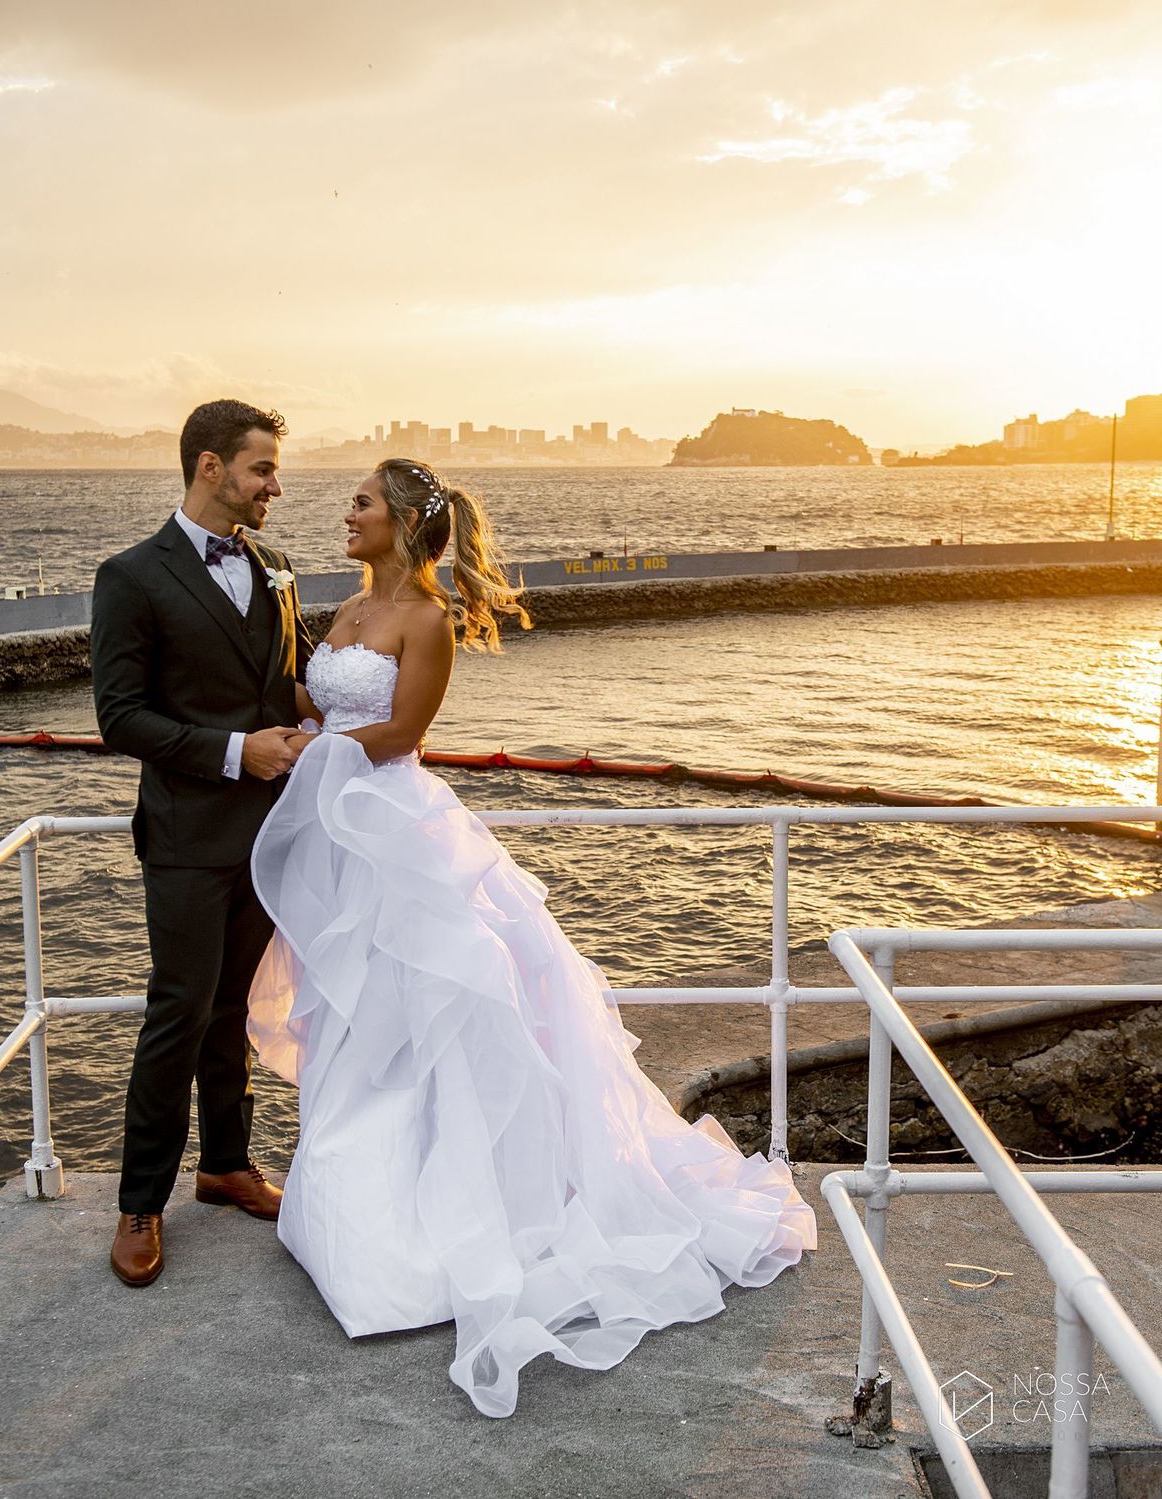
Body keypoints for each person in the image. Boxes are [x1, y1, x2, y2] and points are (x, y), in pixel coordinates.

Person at [247, 458, 815, 1418]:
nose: (346, 514)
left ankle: (435, 1232)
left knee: (427, 1008)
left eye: (362, 503)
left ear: (403, 523)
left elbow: (402, 729)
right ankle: (349, 1215)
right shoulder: (341, 610)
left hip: (396, 829)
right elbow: (322, 700)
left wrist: (313, 748)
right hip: (340, 835)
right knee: (352, 1012)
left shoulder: (425, 620)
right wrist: (293, 720)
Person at [91, 398, 313, 1287]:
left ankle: (226, 1164)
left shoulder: (279, 567)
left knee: (235, 1008)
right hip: (186, 836)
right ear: (211, 468)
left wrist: (330, 715)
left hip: (270, 836)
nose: (275, 486)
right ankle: (140, 1200)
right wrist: (235, 752)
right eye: (262, 469)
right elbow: (120, 717)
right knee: (178, 1013)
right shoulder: (132, 575)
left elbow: (288, 683)